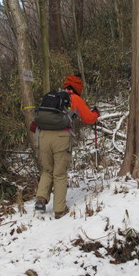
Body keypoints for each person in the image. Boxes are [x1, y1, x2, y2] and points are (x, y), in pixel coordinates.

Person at [31, 75, 100, 219]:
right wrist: (96, 113)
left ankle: (41, 199)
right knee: (60, 174)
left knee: (47, 170)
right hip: (61, 137)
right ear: (78, 87)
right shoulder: (74, 98)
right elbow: (88, 118)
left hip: (42, 136)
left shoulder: (53, 96)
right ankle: (59, 210)